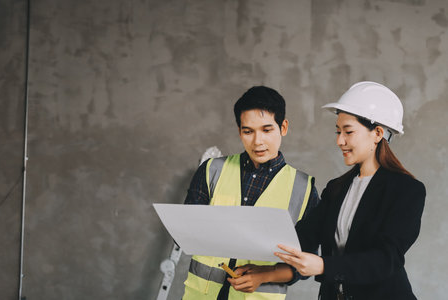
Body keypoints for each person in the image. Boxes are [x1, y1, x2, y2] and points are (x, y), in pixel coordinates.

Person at [274, 81, 426, 300]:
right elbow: (303, 238)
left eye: (348, 131)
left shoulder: (407, 190)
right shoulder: (336, 189)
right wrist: (261, 260)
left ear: (377, 133)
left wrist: (324, 265)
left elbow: (386, 259)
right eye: (338, 131)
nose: (339, 140)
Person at [182, 86, 320, 300]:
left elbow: (307, 260)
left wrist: (265, 275)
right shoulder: (211, 170)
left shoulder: (303, 188)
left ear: (283, 127)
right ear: (239, 131)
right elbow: (187, 231)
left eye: (267, 130)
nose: (257, 141)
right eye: (248, 131)